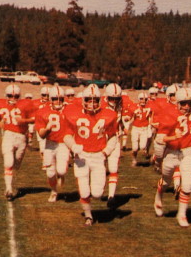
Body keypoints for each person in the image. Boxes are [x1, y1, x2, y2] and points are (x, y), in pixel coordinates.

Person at [63, 84, 117, 226]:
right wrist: (73, 146)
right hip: (81, 156)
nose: (91, 103)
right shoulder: (73, 113)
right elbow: (67, 136)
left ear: (100, 101)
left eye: (94, 100)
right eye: (88, 100)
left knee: (98, 193)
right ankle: (89, 216)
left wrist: (107, 151)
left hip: (98, 156)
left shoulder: (108, 114)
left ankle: (90, 208)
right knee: (84, 190)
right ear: (83, 100)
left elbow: (113, 136)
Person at [153, 88, 191, 227]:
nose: (186, 106)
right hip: (171, 153)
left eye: (189, 103)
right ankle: (158, 196)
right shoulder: (168, 113)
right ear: (178, 103)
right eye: (183, 103)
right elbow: (160, 138)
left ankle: (182, 214)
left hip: (187, 152)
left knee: (187, 185)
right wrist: (173, 137)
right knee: (166, 181)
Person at [0, 84, 34, 200]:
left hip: (22, 137)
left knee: (16, 166)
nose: (13, 98)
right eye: (10, 96)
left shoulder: (26, 104)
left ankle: (11, 184)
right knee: (9, 163)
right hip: (8, 135)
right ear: (5, 95)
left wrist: (24, 120)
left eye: (16, 96)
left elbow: (35, 118)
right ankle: (8, 189)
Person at [35, 86, 70, 203]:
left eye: (60, 99)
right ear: (51, 99)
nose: (58, 101)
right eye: (55, 99)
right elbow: (41, 134)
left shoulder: (70, 110)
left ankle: (61, 176)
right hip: (50, 144)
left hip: (63, 144)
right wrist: (47, 129)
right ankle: (54, 191)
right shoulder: (42, 111)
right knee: (50, 173)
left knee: (61, 171)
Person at [102, 83, 126, 209]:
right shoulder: (100, 106)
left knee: (113, 168)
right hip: (101, 140)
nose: (115, 101)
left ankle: (111, 196)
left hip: (115, 139)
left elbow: (119, 120)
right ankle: (98, 190)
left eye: (117, 98)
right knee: (99, 167)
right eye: (112, 98)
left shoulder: (120, 108)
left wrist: (123, 127)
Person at [130, 92, 152, 167]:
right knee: (135, 148)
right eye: (142, 99)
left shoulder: (149, 107)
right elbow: (130, 117)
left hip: (144, 128)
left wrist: (150, 126)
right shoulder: (134, 106)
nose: (143, 101)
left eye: (145, 99)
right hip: (136, 128)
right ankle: (134, 159)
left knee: (142, 146)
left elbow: (150, 117)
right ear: (138, 99)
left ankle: (144, 152)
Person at [32, 86, 50, 166]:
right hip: (40, 126)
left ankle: (49, 162)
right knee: (42, 148)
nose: (46, 97)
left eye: (48, 95)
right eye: (44, 95)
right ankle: (44, 162)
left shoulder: (53, 103)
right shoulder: (35, 103)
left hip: (51, 127)